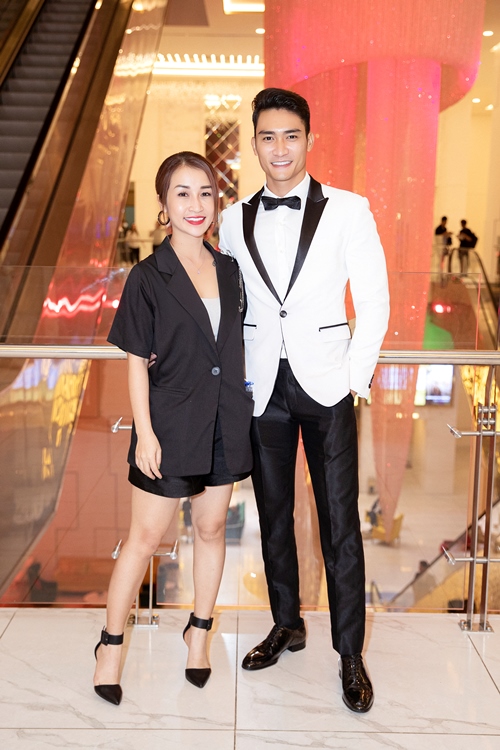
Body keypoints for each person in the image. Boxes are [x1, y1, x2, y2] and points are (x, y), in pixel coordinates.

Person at [219, 88, 390, 713]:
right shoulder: (232, 219)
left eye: (291, 135)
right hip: (262, 385)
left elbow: (374, 300)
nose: (280, 148)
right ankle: (286, 622)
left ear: (309, 140)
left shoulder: (349, 210)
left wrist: (353, 379)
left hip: (327, 385)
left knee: (340, 523)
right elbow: (226, 302)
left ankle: (350, 653)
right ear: (255, 143)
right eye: (268, 136)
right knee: (273, 514)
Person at [94, 151, 253, 704]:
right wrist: (145, 433)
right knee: (143, 540)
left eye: (205, 192)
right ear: (163, 205)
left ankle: (199, 635)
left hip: (224, 420)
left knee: (211, 529)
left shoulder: (229, 270)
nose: (195, 204)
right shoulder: (147, 276)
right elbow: (136, 360)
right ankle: (110, 646)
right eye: (182, 193)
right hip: (168, 424)